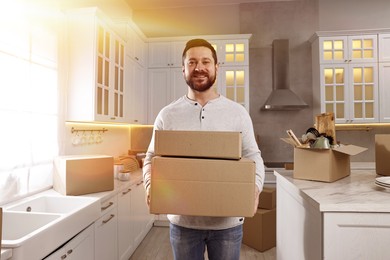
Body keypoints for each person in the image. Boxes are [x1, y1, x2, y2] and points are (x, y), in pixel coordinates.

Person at [142, 38, 265, 260]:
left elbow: (252, 156)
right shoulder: (167, 115)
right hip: (183, 224)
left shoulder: (237, 113)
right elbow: (152, 157)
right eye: (192, 62)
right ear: (183, 69)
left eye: (206, 61)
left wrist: (254, 189)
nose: (199, 67)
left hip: (228, 224)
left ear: (216, 67)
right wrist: (151, 185)